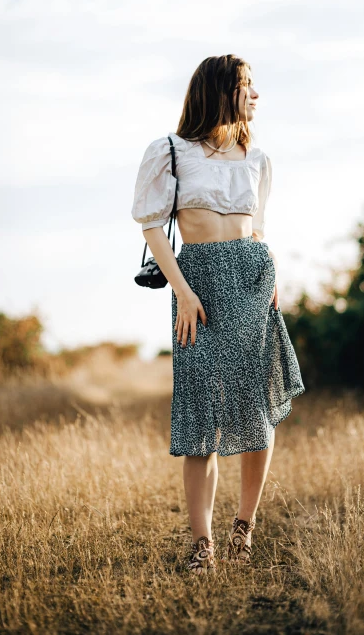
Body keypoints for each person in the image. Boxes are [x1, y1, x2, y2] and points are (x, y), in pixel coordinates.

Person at [131, 54, 305, 575]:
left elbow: (259, 231)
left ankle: (243, 532)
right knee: (201, 411)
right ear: (221, 90)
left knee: (254, 406)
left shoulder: (259, 159)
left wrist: (271, 274)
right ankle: (202, 546)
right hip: (198, 284)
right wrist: (183, 293)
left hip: (253, 279)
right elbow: (152, 227)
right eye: (248, 86)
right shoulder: (171, 151)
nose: (256, 96)